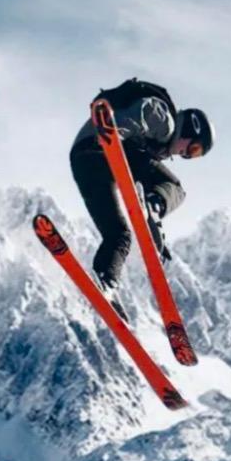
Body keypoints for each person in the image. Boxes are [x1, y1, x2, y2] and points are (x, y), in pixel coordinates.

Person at [70, 78, 214, 320]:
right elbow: (139, 113)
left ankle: (105, 282)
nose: (186, 155)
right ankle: (155, 205)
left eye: (194, 156)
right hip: (104, 146)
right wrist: (112, 137)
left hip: (84, 162)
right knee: (174, 187)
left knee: (119, 234)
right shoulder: (165, 119)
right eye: (193, 149)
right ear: (191, 128)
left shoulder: (161, 139)